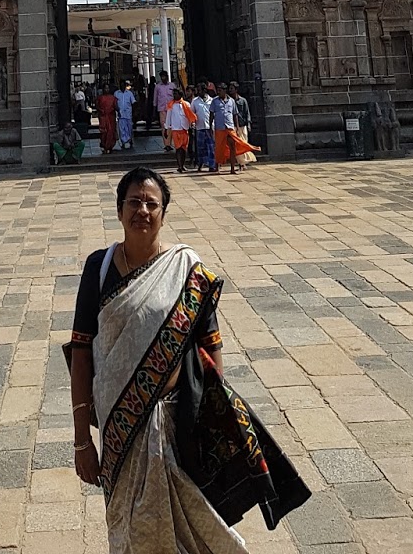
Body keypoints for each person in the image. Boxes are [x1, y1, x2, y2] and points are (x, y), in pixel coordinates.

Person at [67, 167, 309, 549]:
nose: (142, 211)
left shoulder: (185, 270)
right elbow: (81, 353)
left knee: (193, 523)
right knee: (129, 527)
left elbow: (211, 344)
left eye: (152, 204)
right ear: (118, 210)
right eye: (134, 202)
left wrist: (214, 414)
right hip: (119, 428)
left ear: (163, 213)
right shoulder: (97, 269)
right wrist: (83, 440)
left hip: (177, 420)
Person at [210, 87, 259, 176]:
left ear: (224, 91)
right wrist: (210, 126)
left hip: (230, 127)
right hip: (219, 128)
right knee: (219, 147)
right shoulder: (214, 101)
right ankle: (217, 165)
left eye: (220, 91)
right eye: (218, 91)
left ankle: (233, 168)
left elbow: (235, 114)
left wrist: (236, 127)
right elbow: (211, 114)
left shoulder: (231, 101)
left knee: (233, 147)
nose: (218, 92)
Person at [164, 89, 196, 174]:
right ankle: (179, 166)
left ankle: (183, 165)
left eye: (176, 94)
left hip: (184, 129)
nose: (174, 95)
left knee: (184, 148)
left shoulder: (186, 104)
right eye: (173, 94)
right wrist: (166, 128)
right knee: (178, 149)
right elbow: (168, 117)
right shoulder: (171, 105)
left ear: (180, 94)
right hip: (175, 129)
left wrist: (191, 125)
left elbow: (190, 115)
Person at [192, 83, 217, 173]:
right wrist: (193, 123)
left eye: (200, 90)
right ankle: (200, 164)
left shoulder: (212, 100)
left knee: (211, 147)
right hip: (200, 127)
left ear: (204, 90)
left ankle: (212, 165)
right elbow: (192, 114)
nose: (198, 92)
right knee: (200, 148)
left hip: (210, 127)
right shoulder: (195, 101)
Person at [230, 82, 256, 168]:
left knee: (244, 143)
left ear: (236, 90)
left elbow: (247, 112)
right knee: (237, 145)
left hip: (242, 125)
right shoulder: (229, 101)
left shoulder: (243, 101)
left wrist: (248, 124)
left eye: (232, 88)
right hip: (233, 126)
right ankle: (240, 163)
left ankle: (244, 162)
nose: (230, 90)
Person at [154, 70, 175, 147]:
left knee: (171, 125)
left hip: (171, 109)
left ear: (167, 77)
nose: (163, 78)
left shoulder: (172, 86)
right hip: (162, 109)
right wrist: (154, 109)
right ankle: (167, 144)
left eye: (164, 76)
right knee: (164, 126)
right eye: (162, 77)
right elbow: (155, 98)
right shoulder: (158, 87)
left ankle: (170, 142)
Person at [97, 85, 119, 154]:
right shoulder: (100, 98)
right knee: (104, 132)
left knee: (111, 131)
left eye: (108, 88)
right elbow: (97, 106)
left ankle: (110, 146)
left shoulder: (113, 98)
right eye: (105, 88)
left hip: (111, 117)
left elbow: (115, 106)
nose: (106, 89)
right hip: (103, 117)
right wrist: (101, 111)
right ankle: (104, 145)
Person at [117, 80, 137, 151]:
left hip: (128, 114)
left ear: (125, 86)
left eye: (123, 85)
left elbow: (133, 102)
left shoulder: (129, 93)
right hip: (120, 114)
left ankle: (130, 139)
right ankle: (123, 141)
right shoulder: (116, 93)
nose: (122, 86)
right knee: (121, 128)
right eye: (121, 85)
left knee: (129, 128)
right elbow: (115, 104)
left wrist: (134, 112)